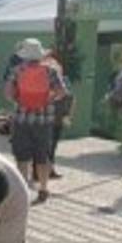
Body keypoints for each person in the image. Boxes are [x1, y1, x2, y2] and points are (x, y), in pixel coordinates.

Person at [4, 38, 66, 205]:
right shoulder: (51, 70)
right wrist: (48, 99)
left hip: (22, 119)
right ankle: (43, 189)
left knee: (22, 157)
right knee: (42, 156)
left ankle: (23, 190)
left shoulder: (17, 70)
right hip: (44, 120)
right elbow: (61, 92)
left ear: (24, 54)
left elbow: (8, 93)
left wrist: (19, 99)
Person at [43, 50, 73, 179]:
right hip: (48, 116)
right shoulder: (46, 77)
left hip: (55, 116)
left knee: (51, 145)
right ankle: (45, 170)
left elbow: (69, 98)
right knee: (47, 145)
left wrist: (67, 115)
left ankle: (48, 169)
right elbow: (68, 97)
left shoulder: (61, 79)